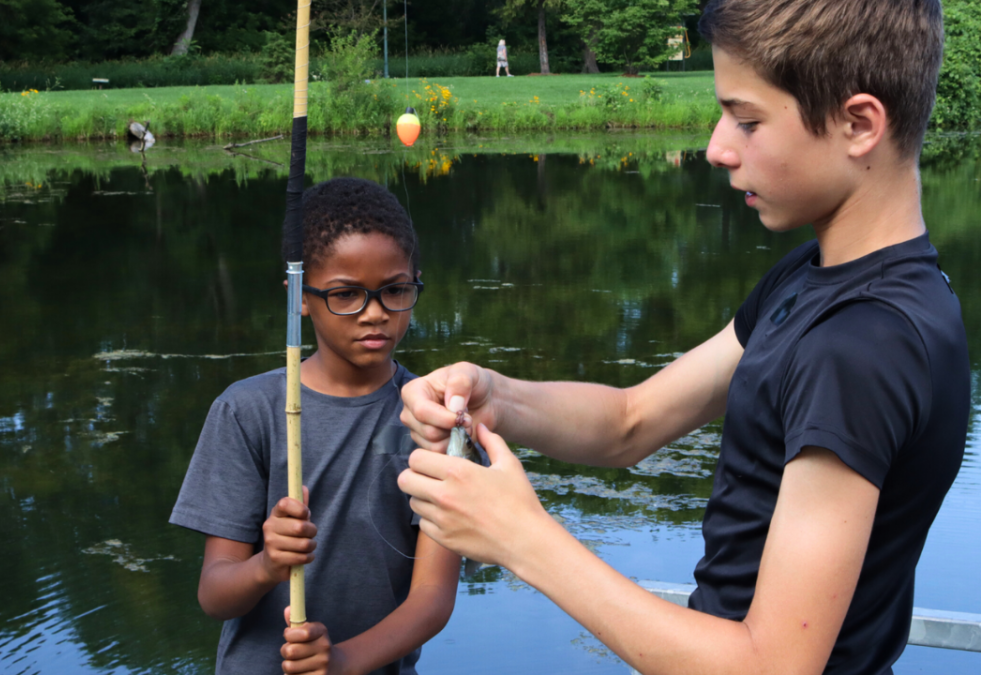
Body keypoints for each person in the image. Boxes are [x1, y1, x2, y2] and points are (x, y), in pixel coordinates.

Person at [396, 1, 968, 674]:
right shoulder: (822, 282)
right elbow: (632, 421)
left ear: (858, 123)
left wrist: (523, 540)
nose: (717, 147)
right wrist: (496, 397)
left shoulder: (860, 345)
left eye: (747, 120)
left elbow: (772, 666)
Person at [170, 177, 462, 675]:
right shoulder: (248, 412)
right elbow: (214, 596)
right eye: (345, 295)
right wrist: (267, 565)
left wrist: (341, 662)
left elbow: (432, 600)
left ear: (416, 281)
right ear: (300, 298)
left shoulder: (437, 419)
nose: (374, 314)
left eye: (395, 290)